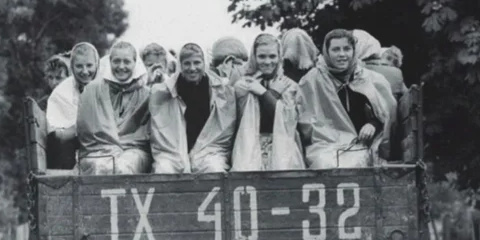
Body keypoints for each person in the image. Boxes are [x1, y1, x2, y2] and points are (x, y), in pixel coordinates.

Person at [297, 29, 396, 169]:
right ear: (326, 52)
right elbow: (306, 122)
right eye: (336, 49)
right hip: (323, 146)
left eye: (347, 49)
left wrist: (372, 124)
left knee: (357, 163)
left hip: (360, 144)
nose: (342, 54)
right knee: (325, 164)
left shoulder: (369, 79)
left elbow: (384, 115)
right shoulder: (312, 80)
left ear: (354, 51)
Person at [149, 42, 237, 173]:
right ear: (180, 65)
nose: (192, 68)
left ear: (204, 63)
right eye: (187, 63)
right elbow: (160, 130)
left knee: (214, 169)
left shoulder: (220, 90)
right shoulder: (164, 91)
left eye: (197, 63)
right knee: (164, 169)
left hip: (209, 150)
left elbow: (224, 130)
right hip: (174, 151)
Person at [76, 41, 152, 175]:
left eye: (127, 62)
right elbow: (86, 132)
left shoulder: (146, 94)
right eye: (116, 61)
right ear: (109, 61)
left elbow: (148, 134)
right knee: (101, 167)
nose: (121, 66)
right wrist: (111, 150)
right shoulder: (93, 89)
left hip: (134, 151)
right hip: (98, 151)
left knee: (123, 167)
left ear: (135, 63)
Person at [232, 33, 305, 171]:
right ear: (254, 57)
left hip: (283, 145)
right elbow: (250, 117)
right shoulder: (243, 84)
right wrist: (274, 94)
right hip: (249, 144)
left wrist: (265, 93)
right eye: (262, 56)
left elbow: (286, 122)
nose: (267, 62)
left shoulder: (289, 85)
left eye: (272, 56)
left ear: (279, 57)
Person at [45, 42, 100, 170]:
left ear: (97, 65)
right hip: (73, 143)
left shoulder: (105, 85)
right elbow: (58, 132)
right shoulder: (62, 92)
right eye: (79, 66)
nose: (85, 71)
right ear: (73, 68)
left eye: (89, 65)